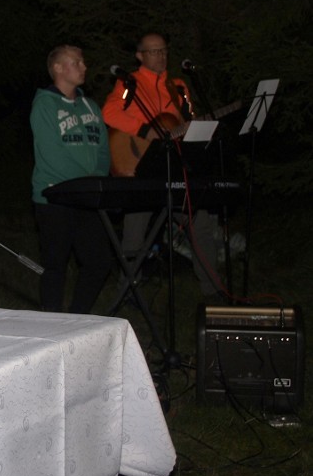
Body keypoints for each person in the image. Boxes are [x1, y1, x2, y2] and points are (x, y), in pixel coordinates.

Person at [102, 32, 222, 299]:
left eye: (164, 50)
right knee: (135, 234)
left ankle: (214, 292)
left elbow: (183, 123)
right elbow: (109, 113)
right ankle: (127, 293)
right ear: (140, 56)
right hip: (138, 168)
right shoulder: (129, 84)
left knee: (199, 223)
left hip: (172, 167)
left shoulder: (178, 86)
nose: (161, 56)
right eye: (154, 51)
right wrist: (145, 131)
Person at [30, 45, 113, 313]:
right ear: (57, 68)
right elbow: (52, 152)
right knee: (55, 265)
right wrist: (82, 184)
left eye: (82, 61)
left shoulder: (90, 105)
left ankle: (78, 318)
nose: (84, 67)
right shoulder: (45, 104)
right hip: (55, 196)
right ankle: (51, 324)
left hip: (87, 197)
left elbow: (102, 148)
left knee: (99, 261)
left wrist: (97, 181)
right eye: (76, 62)